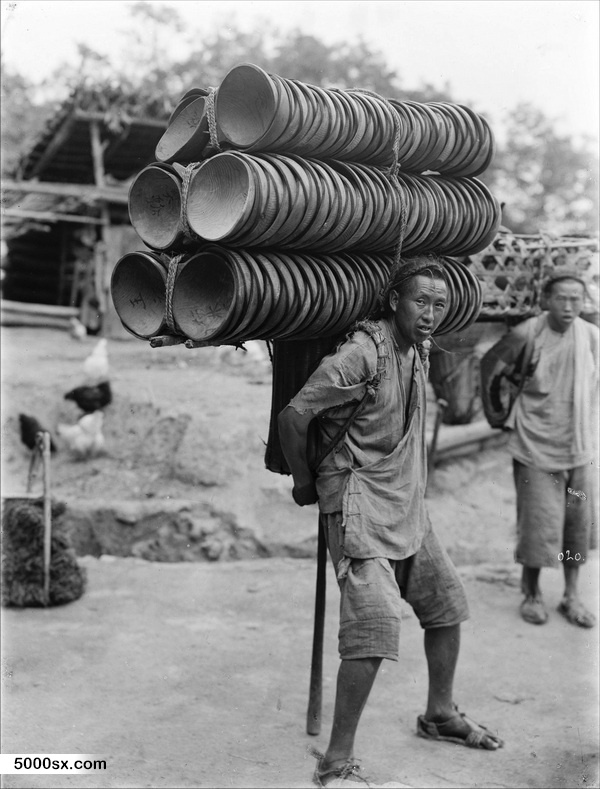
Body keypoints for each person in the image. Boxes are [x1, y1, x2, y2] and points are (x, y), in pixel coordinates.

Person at [278, 255, 504, 789]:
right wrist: (305, 483)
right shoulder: (362, 354)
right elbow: (294, 416)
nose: (429, 314)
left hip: (404, 501)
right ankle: (336, 759)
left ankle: (440, 714)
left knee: (446, 604)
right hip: (356, 499)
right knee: (375, 626)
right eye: (420, 301)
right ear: (394, 302)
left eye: (438, 305)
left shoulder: (418, 350)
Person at [480, 270, 599, 629]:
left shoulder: (592, 337)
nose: (568, 306)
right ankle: (531, 592)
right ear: (546, 300)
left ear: (584, 302)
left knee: (576, 527)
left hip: (579, 447)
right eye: (561, 298)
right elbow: (489, 364)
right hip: (535, 445)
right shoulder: (527, 333)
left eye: (575, 299)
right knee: (538, 525)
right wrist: (496, 413)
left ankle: (571, 595)